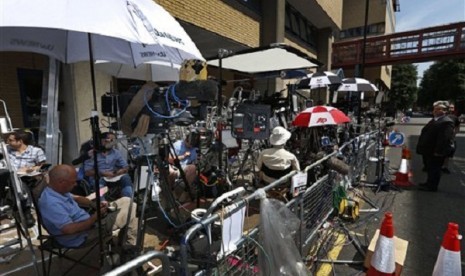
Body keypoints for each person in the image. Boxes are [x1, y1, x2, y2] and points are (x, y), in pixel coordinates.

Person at [38, 164, 138, 248]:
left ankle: (125, 242)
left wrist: (95, 205)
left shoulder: (58, 190)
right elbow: (69, 229)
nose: (75, 185)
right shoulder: (51, 203)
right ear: (61, 182)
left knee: (127, 200)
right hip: (83, 235)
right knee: (132, 208)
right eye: (73, 182)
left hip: (89, 222)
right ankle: (129, 246)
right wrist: (94, 218)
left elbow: (76, 198)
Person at [6, 130, 46, 227]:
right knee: (13, 180)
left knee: (21, 182)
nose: (8, 142)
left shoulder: (36, 151)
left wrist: (30, 168)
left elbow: (43, 166)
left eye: (11, 140)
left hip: (29, 178)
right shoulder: (7, 150)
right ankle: (24, 210)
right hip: (13, 178)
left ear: (20, 141)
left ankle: (26, 210)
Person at [416, 101, 455, 192]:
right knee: (430, 168)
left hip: (436, 151)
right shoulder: (435, 119)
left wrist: (439, 151)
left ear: (444, 111)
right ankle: (429, 183)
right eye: (435, 109)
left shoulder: (447, 122)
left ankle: (432, 186)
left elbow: (444, 138)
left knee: (435, 169)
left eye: (438, 109)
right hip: (429, 150)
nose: (435, 111)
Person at [84, 132, 133, 199]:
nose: (111, 142)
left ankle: (127, 200)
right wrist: (103, 173)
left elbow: (126, 167)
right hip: (99, 178)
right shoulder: (92, 154)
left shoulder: (116, 153)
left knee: (126, 178)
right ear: (101, 140)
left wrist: (118, 172)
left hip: (113, 177)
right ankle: (103, 204)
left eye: (113, 140)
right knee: (99, 186)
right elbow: (87, 172)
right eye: (109, 139)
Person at [167, 131, 198, 201]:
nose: (190, 147)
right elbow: (169, 159)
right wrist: (183, 156)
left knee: (193, 168)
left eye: (192, 145)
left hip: (185, 167)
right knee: (170, 172)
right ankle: (171, 192)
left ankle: (185, 193)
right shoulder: (177, 145)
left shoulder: (194, 149)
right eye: (189, 144)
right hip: (174, 166)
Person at [441, 102, 460, 174]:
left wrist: (454, 135)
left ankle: (445, 167)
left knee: (448, 154)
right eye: (450, 107)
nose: (451, 109)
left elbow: (457, 128)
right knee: (440, 152)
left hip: (450, 139)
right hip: (441, 138)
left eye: (452, 107)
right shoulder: (442, 116)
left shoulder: (455, 118)